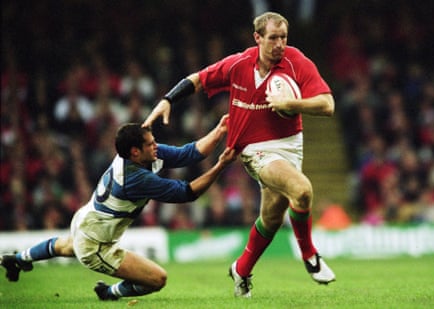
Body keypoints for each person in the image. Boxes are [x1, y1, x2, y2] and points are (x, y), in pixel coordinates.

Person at [142, 12, 336, 298]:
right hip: (253, 149)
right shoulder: (238, 63)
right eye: (272, 38)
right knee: (302, 190)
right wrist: (167, 100)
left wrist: (291, 102)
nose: (279, 44)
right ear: (257, 38)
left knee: (271, 218)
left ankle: (241, 270)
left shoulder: (296, 62)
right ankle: (309, 255)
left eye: (283, 38)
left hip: (291, 145)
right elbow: (198, 79)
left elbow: (327, 104)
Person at [0, 115, 236, 301]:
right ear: (135, 151)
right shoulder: (135, 178)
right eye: (151, 144)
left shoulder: (140, 155)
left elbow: (188, 154)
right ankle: (111, 292)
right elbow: (186, 192)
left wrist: (219, 130)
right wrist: (220, 166)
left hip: (86, 219)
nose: (157, 147)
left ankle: (19, 259)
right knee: (157, 279)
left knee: (65, 245)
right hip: (96, 245)